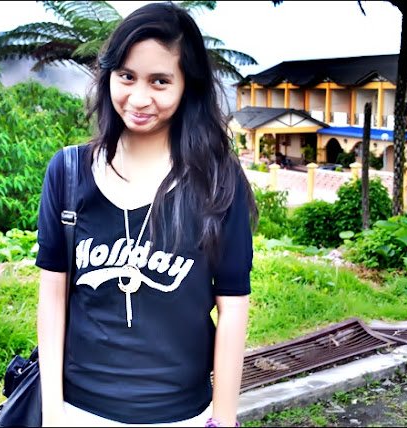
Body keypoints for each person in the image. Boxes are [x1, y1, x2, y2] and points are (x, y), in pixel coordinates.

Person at [35, 2, 258, 426]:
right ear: (109, 76)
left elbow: (233, 306)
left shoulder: (217, 180)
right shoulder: (68, 172)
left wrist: (224, 418)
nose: (139, 98)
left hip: (181, 414)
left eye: (160, 81)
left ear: (187, 85)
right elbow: (52, 297)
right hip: (80, 411)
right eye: (126, 76)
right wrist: (52, 414)